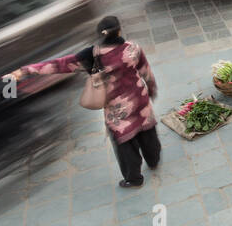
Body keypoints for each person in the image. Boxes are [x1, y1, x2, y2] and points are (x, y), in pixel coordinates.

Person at [11, 16, 161, 188]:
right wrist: (152, 89)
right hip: (140, 101)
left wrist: (25, 71)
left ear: (100, 35)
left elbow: (59, 65)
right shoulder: (133, 48)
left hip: (118, 112)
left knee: (126, 144)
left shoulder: (90, 56)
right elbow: (145, 71)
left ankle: (134, 179)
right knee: (148, 131)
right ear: (119, 31)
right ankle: (154, 160)